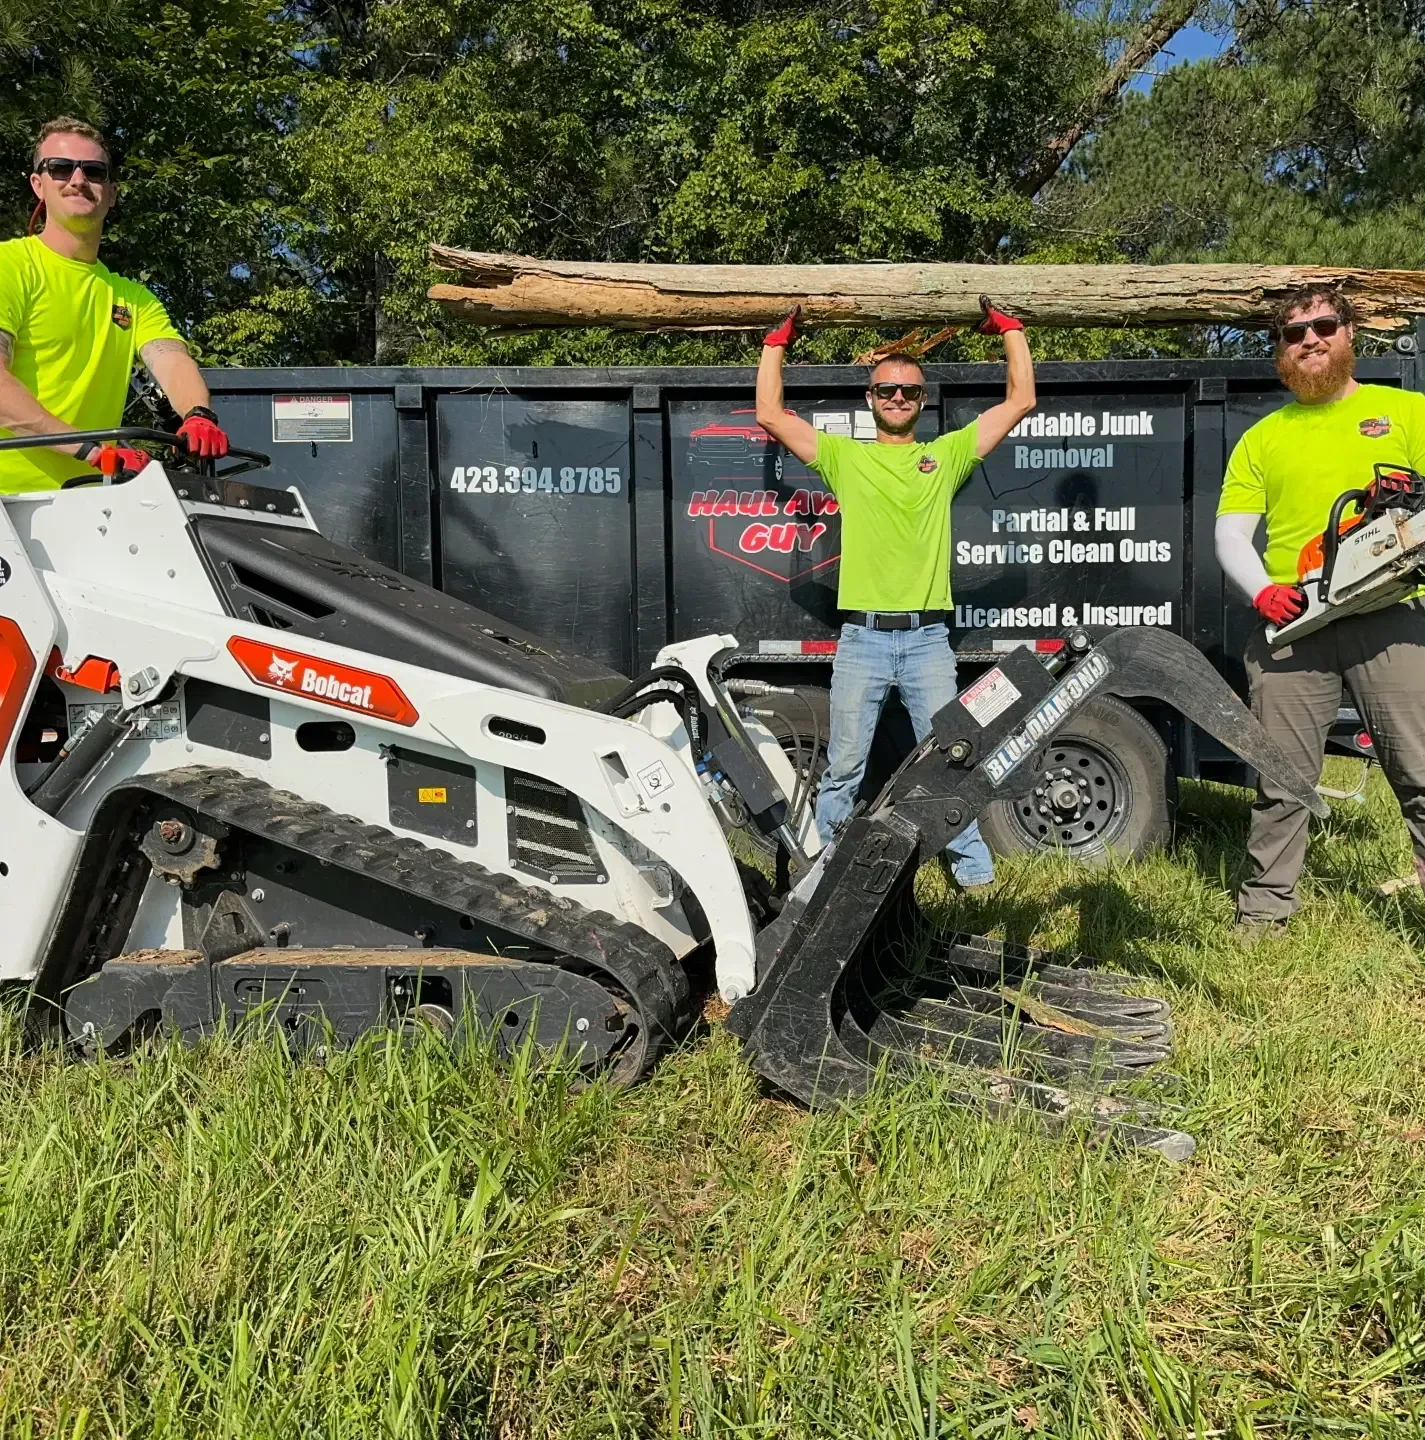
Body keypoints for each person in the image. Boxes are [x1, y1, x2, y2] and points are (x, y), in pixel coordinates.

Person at [755, 299, 1036, 886]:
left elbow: (1021, 400)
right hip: (861, 638)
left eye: (909, 392)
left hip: (929, 638)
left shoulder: (947, 456)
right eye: (887, 390)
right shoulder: (846, 459)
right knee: (845, 768)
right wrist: (775, 343)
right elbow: (771, 415)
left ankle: (974, 878)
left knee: (953, 759)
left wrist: (1010, 330)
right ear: (870, 399)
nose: (898, 399)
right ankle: (825, 875)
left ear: (923, 400)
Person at [1215, 285, 1425, 937]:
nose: (1310, 339)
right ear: (1280, 349)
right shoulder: (1262, 437)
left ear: (1348, 333)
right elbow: (1230, 531)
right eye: (1294, 332)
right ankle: (1263, 916)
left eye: (1323, 325)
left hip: (1388, 613)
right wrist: (1260, 591)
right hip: (1294, 623)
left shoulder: (1407, 412)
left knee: (1419, 771)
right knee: (1281, 782)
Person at [0, 116, 228, 494]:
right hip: (9, 507)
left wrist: (198, 415)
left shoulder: (131, 297)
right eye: (60, 168)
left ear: (112, 192)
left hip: (89, 503)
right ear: (38, 185)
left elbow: (171, 359)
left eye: (93, 171)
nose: (77, 180)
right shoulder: (10, 268)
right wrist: (91, 450)